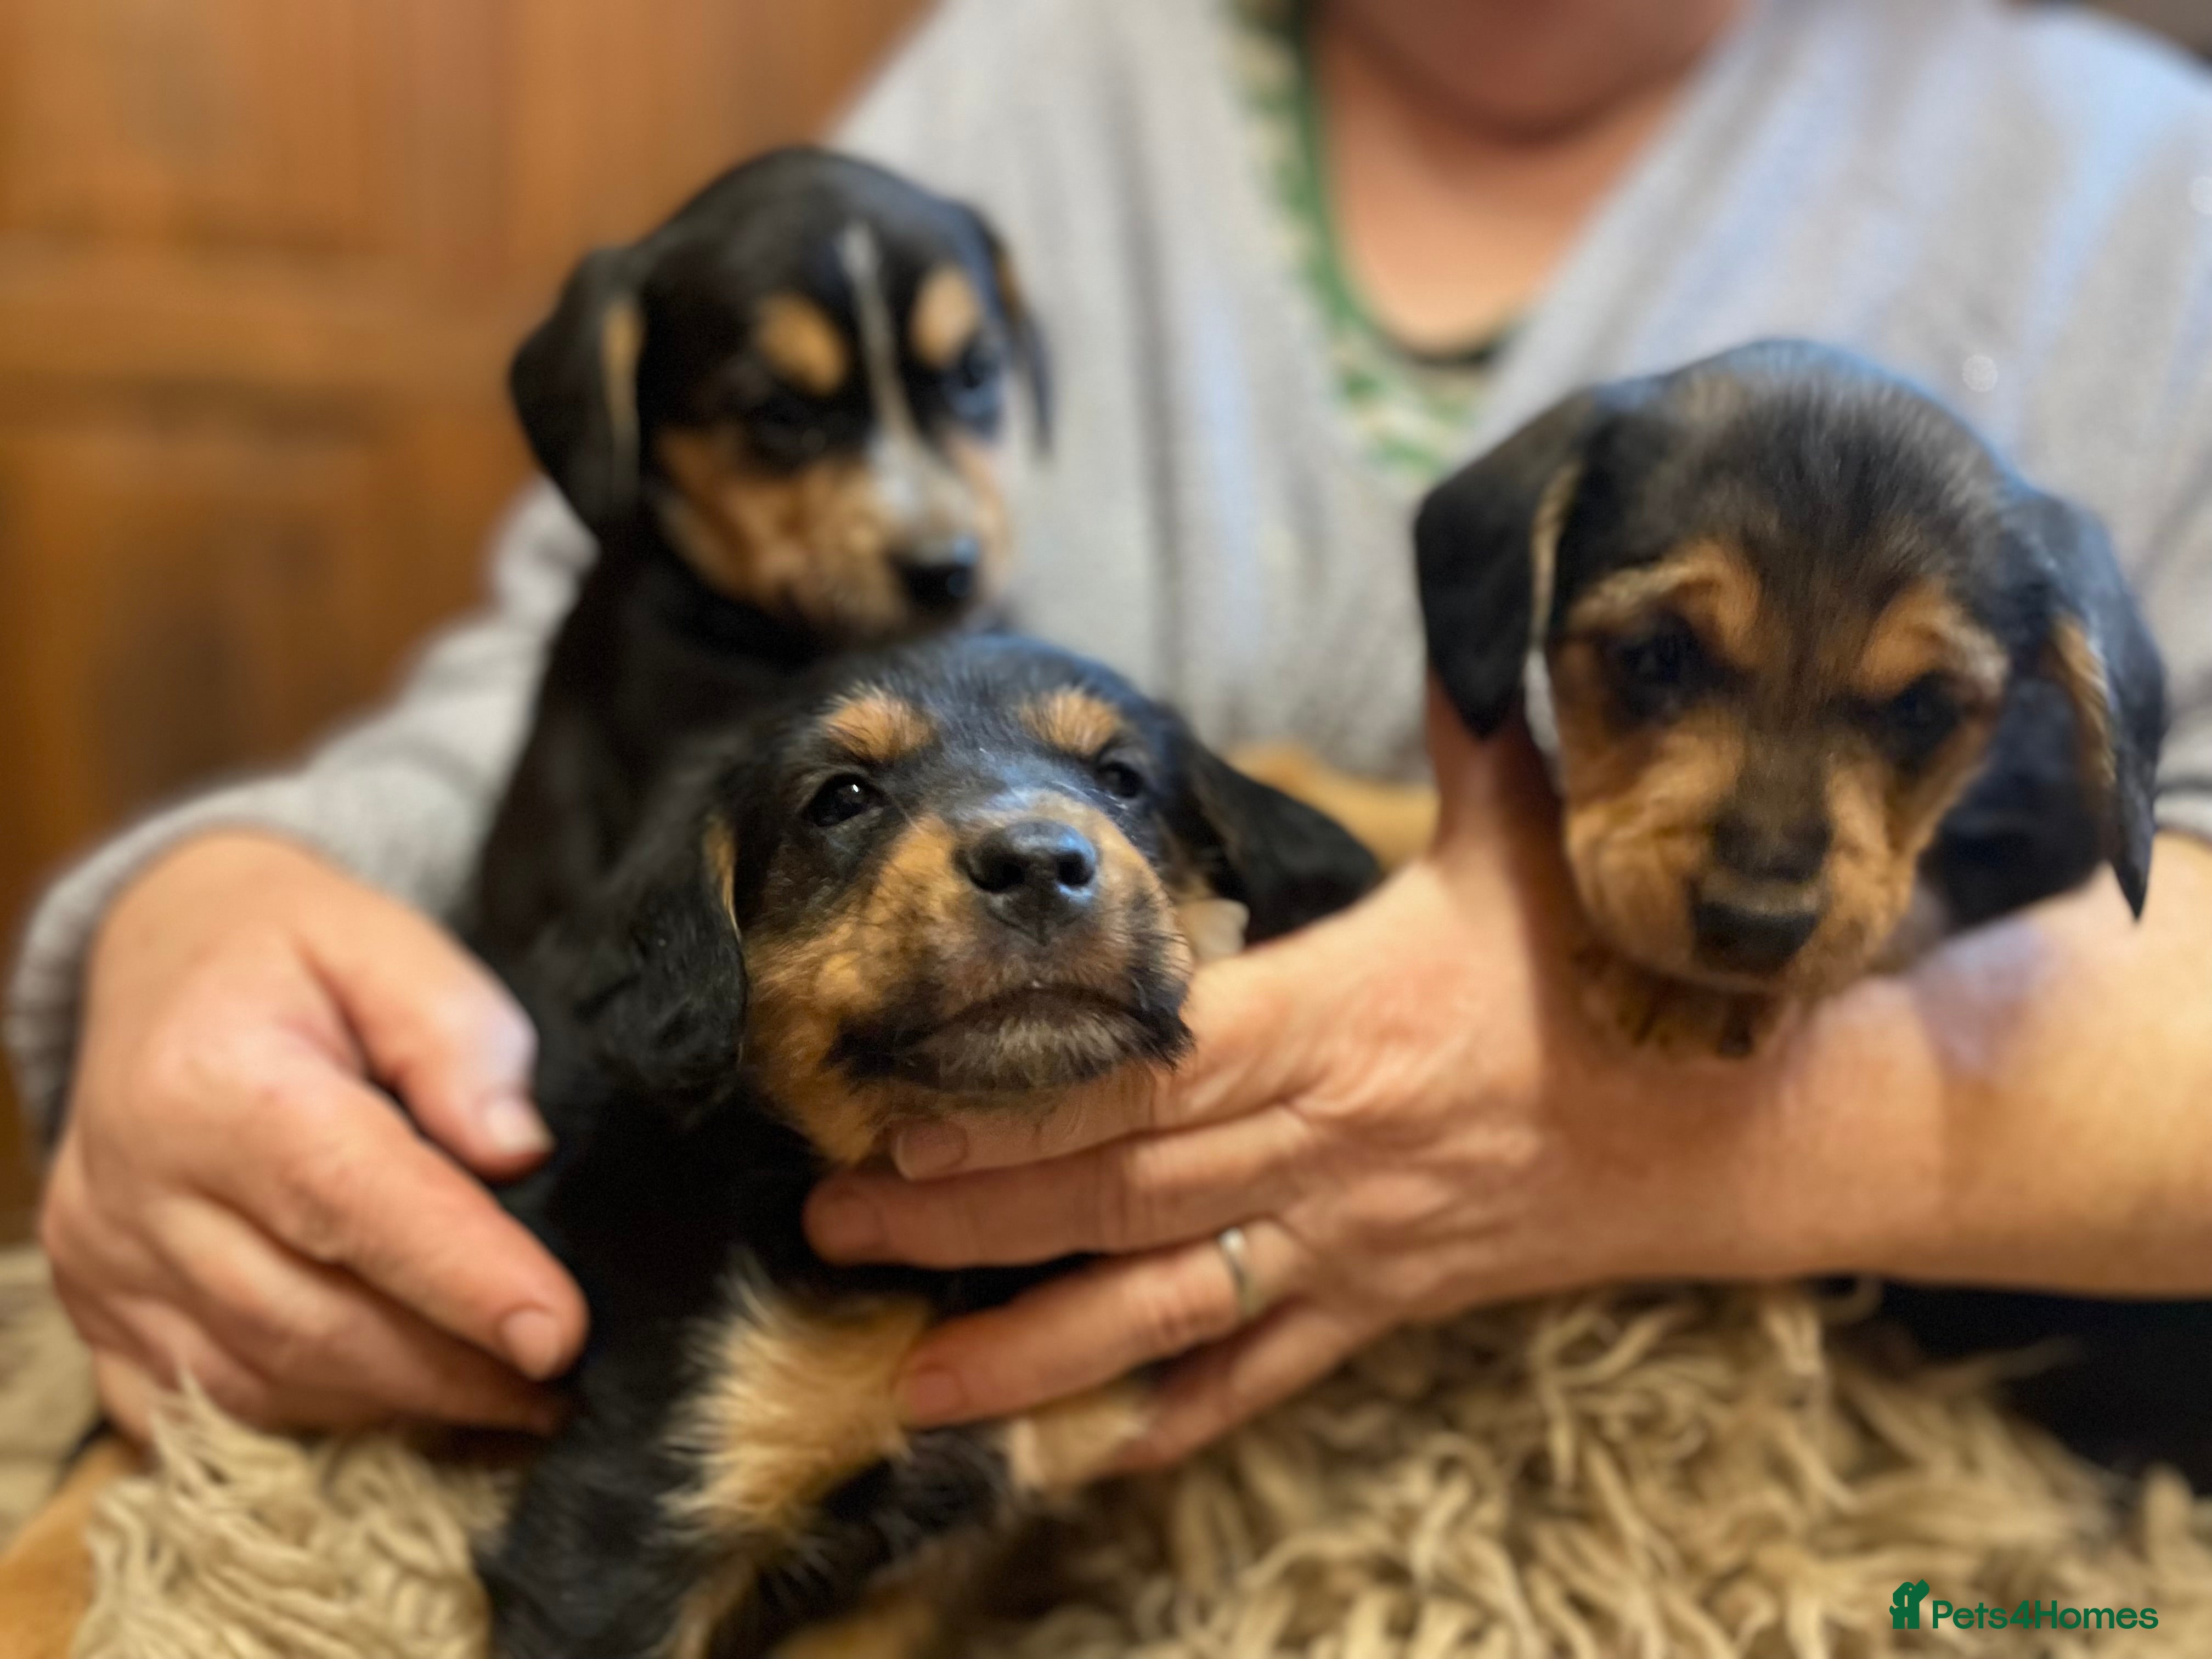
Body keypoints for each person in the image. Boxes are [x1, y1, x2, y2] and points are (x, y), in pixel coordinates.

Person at [10, 0, 2212, 1463]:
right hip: (969, 1403)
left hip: (1911, 1444)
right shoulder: (1039, 74)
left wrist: (1648, 1128)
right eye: (1654, 660)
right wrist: (209, 903)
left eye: (1915, 708)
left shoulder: (2143, 194)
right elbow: (584, 680)